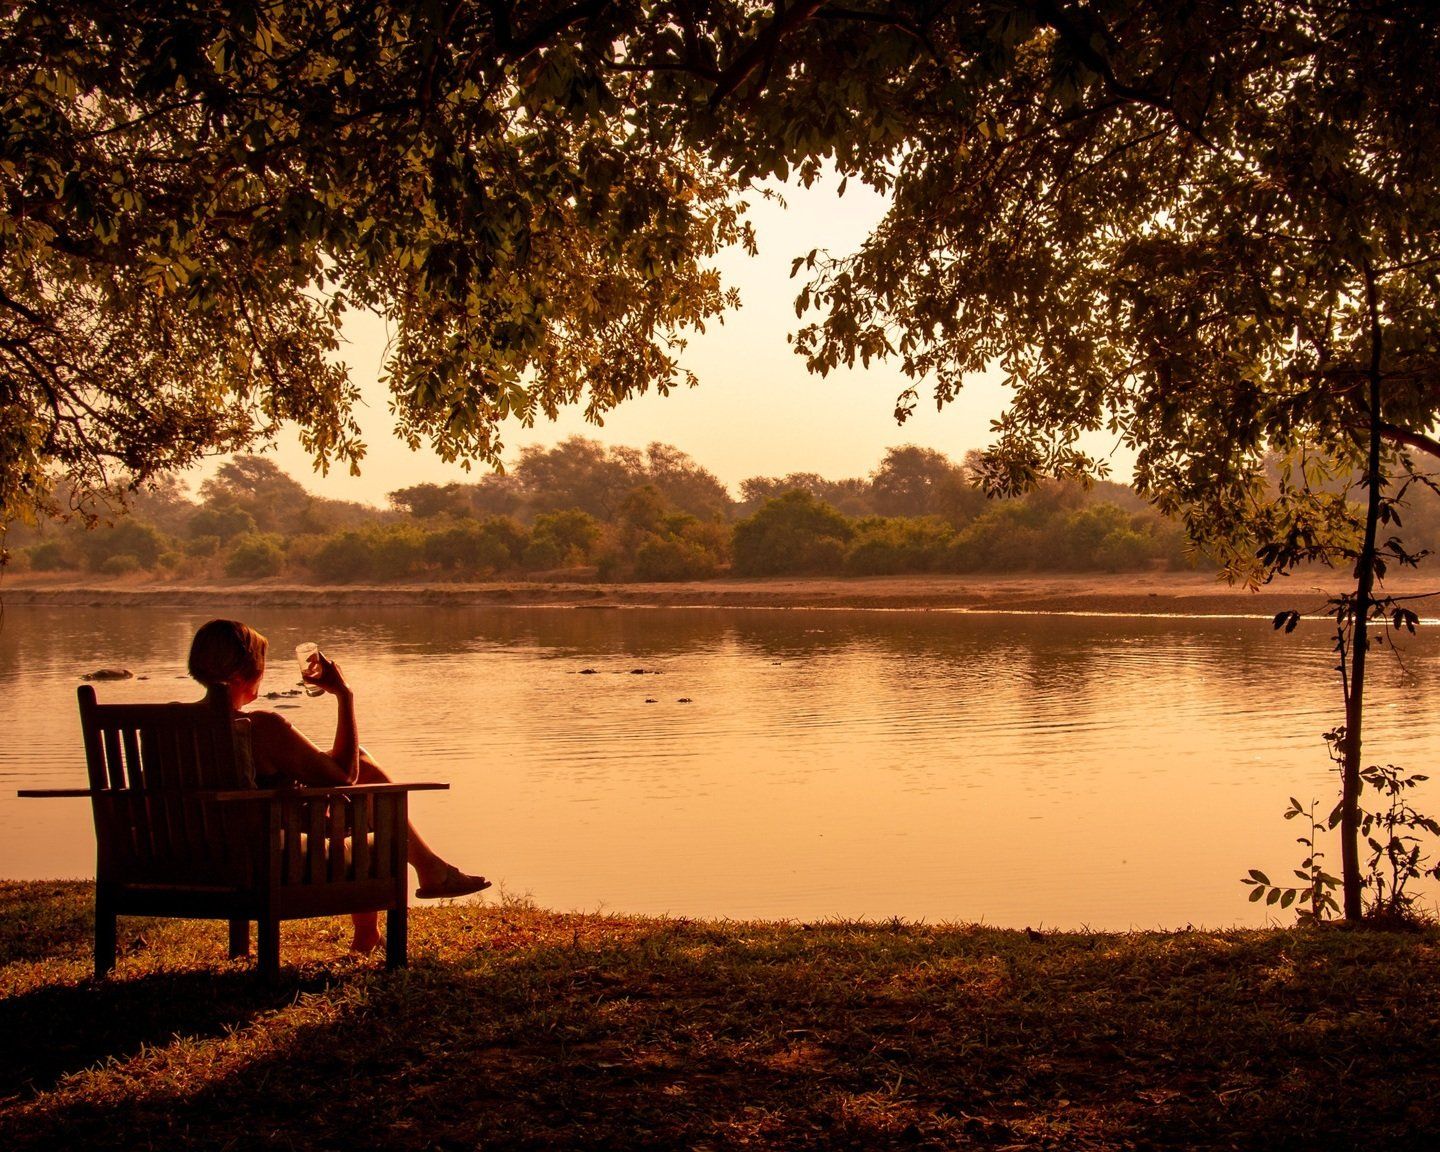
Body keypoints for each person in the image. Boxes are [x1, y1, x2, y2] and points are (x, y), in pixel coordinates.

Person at [187, 618, 490, 954]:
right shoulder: (260, 727)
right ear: (248, 672)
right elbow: (344, 776)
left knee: (361, 766)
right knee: (365, 782)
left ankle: (423, 877)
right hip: (264, 860)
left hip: (186, 856)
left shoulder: (174, 725)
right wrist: (344, 696)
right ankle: (421, 878)